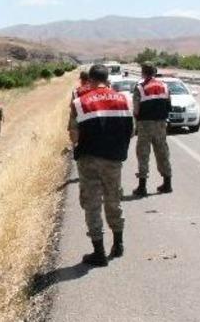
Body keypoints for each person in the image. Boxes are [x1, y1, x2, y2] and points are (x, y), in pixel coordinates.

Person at [68, 64, 135, 266]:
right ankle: (118, 244)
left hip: (88, 160)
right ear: (108, 79)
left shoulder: (79, 102)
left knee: (92, 204)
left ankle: (99, 252)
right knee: (114, 199)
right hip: (114, 159)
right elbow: (131, 131)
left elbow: (73, 135)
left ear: (89, 80)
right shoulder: (124, 99)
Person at [132, 63, 173, 196]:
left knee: (143, 154)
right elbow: (169, 105)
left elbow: (136, 110)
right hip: (161, 124)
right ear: (154, 72)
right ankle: (167, 183)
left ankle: (142, 187)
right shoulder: (165, 86)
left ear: (143, 73)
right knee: (162, 152)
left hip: (145, 124)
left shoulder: (140, 88)